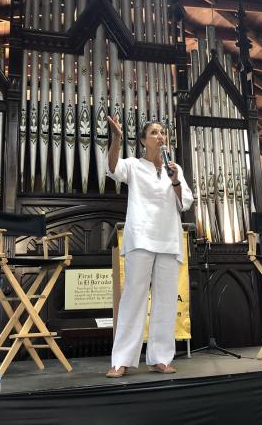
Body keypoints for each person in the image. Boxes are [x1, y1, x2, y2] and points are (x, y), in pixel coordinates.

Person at [105, 116, 193, 378]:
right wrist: (117, 139)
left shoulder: (174, 169)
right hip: (140, 238)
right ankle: (121, 360)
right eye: (154, 132)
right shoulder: (133, 165)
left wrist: (175, 179)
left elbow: (184, 203)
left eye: (162, 132)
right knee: (133, 299)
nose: (160, 136)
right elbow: (112, 168)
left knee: (166, 302)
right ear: (143, 140)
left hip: (169, 240)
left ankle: (161, 357)